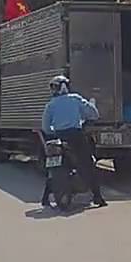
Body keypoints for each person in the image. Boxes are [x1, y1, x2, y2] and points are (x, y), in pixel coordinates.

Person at [41, 75, 108, 208]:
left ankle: (45, 198)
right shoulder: (75, 99)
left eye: (54, 87)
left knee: (53, 166)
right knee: (88, 164)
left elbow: (45, 127)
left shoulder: (50, 104)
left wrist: (53, 131)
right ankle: (98, 197)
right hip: (76, 136)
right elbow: (94, 114)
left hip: (58, 137)